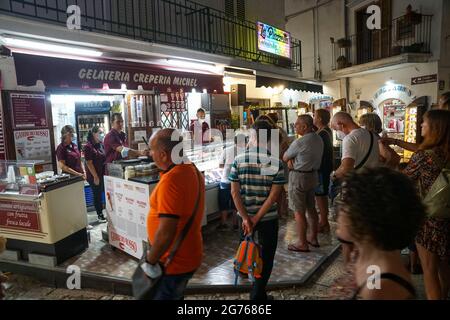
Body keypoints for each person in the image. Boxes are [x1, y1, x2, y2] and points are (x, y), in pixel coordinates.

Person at [336, 167, 425, 300]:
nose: (339, 211)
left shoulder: (379, 286)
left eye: (345, 204)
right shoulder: (363, 255)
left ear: (366, 218)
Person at [229, 120, 286, 300]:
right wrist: (257, 218)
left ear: (253, 137)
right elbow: (273, 196)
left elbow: (234, 193)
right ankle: (258, 294)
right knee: (266, 257)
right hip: (268, 218)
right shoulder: (276, 163)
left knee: (247, 250)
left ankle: (253, 288)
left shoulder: (238, 160)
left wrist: (246, 218)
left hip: (244, 218)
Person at [145, 128, 205, 300]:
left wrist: (150, 261)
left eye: (152, 150)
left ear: (163, 154)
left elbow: (166, 232)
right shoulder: (191, 168)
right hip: (188, 255)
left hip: (172, 262)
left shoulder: (172, 180)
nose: (150, 154)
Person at [403, 109, 450, 300]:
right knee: (446, 269)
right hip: (448, 218)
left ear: (435, 128)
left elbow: (405, 182)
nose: (421, 125)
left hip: (429, 221)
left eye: (424, 122)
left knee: (429, 272)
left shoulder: (424, 157)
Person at [330, 111, 380, 264]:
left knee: (348, 238)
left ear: (341, 124)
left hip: (354, 191)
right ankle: (366, 267)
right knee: (365, 234)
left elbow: (346, 168)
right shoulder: (371, 135)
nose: (338, 132)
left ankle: (350, 273)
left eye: (336, 129)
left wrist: (333, 175)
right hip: (371, 188)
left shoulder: (350, 138)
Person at [283, 115, 323, 252]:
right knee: (311, 208)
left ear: (305, 126)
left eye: (297, 124)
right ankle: (313, 237)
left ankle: (302, 243)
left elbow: (285, 157)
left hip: (299, 177)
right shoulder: (318, 138)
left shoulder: (300, 142)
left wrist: (290, 161)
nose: (295, 126)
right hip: (313, 176)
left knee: (298, 211)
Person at [217, 134, 247, 231]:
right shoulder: (245, 152)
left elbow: (220, 165)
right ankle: (235, 225)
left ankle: (224, 223)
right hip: (238, 181)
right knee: (236, 203)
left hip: (225, 180)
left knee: (224, 203)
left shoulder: (226, 150)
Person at [313, 109, 334, 234]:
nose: (313, 118)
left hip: (321, 169)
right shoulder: (324, 131)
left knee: (320, 196)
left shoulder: (322, 133)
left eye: (315, 116)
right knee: (321, 196)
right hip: (324, 168)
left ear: (320, 119)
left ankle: (323, 222)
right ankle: (324, 221)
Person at [83, 126, 106, 222]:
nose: (102, 134)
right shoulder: (88, 146)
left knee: (104, 192)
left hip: (103, 173)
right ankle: (99, 214)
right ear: (94, 133)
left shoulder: (101, 144)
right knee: (97, 194)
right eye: (100, 132)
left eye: (102, 132)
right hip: (94, 175)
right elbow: (89, 163)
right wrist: (95, 176)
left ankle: (106, 211)